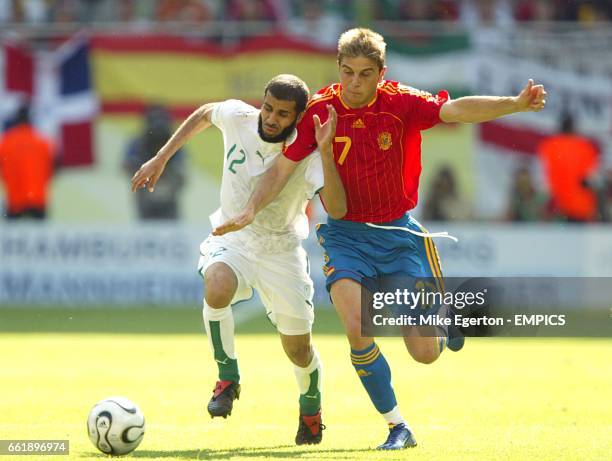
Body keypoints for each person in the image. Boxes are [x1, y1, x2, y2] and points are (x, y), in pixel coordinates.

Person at [213, 28, 547, 450]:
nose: (355, 82)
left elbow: (456, 110)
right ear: (338, 69)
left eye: (365, 74)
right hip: (345, 237)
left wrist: (514, 104)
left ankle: (448, 322)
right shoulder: (319, 111)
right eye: (348, 72)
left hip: (397, 236)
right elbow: (279, 171)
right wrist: (249, 210)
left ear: (380, 73)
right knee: (357, 326)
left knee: (424, 352)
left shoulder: (401, 102)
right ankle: (397, 427)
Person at [130, 74, 346, 445]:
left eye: (282, 113)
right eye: (268, 107)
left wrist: (326, 153)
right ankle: (227, 376)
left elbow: (339, 209)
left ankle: (310, 409)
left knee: (299, 349)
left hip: (281, 250)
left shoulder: (306, 154)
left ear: (297, 118)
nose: (271, 118)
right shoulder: (237, 117)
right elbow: (203, 114)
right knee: (217, 285)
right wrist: (162, 157)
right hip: (234, 237)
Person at [124, 105, 186, 220]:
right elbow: (126, 166)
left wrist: (166, 177)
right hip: (145, 199)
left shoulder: (176, 145)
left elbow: (182, 175)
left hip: (169, 199)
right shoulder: (137, 144)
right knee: (147, 232)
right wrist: (144, 174)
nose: (158, 126)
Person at [538, 113, 599, 222]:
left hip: (556, 205)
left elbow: (542, 177)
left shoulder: (549, 146)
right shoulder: (585, 147)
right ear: (573, 127)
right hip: (580, 205)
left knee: (555, 237)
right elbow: (591, 178)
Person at [0, 104, 54, 219]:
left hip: (14, 201)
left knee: (11, 236)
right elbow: (54, 168)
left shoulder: (5, 142)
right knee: (40, 236)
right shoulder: (43, 141)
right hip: (38, 199)